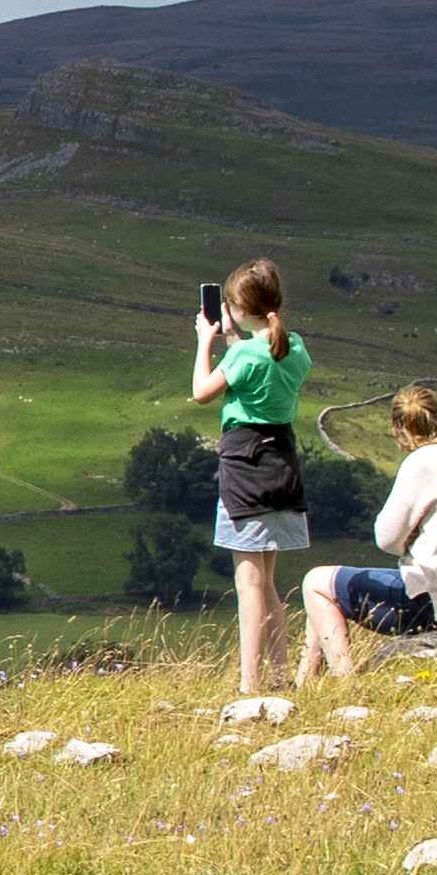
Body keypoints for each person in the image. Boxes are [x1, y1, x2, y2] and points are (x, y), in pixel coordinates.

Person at [183, 257, 311, 696]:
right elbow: (269, 362)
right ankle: (280, 674)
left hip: (245, 467)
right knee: (269, 579)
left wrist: (206, 341)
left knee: (248, 583)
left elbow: (201, 393)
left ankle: (249, 685)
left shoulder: (242, 354)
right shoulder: (295, 347)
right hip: (284, 463)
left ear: (237, 308)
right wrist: (238, 341)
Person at [304, 384, 437, 681]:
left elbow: (387, 538)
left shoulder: (420, 463)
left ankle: (343, 680)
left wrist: (409, 540)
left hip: (426, 602)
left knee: (314, 582)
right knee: (326, 592)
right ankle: (305, 685)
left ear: (399, 426)